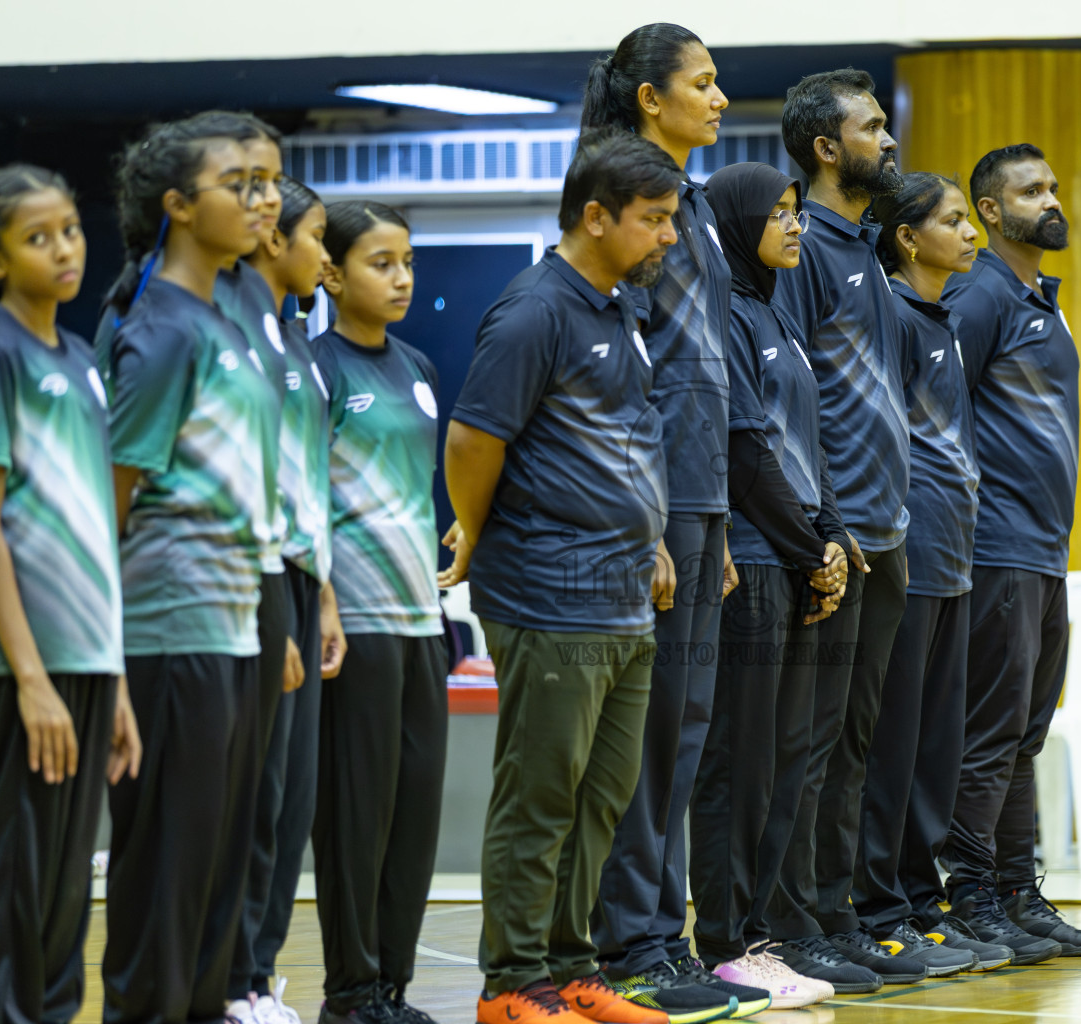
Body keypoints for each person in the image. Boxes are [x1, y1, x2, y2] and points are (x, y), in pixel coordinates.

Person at [447, 127, 684, 1024]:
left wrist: (651, 534)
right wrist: (475, 531)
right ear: (595, 216)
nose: (668, 236)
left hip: (625, 593)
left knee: (601, 799)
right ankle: (512, 982)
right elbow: (474, 438)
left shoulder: (618, 307)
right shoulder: (535, 310)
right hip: (548, 592)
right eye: (653, 220)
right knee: (541, 793)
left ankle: (572, 968)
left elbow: (620, 443)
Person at [578, 26, 758, 1019]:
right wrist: (646, 517)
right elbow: (623, 375)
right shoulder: (622, 200)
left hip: (700, 498)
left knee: (684, 731)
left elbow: (709, 371)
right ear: (652, 99)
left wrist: (718, 518)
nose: (721, 96)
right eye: (704, 82)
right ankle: (630, 943)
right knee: (644, 738)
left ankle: (664, 934)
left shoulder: (689, 204)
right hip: (648, 503)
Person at [0, 164, 140, 1024]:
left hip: (89, 647)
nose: (64, 249)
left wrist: (118, 676)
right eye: (37, 237)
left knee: (67, 868)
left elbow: (97, 520)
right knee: (13, 855)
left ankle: (54, 1012)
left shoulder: (84, 357)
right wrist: (27, 679)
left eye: (69, 228)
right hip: (31, 654)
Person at [98, 115, 277, 1023]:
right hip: (167, 628)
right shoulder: (159, 330)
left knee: (217, 862)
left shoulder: (235, 306)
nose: (261, 201)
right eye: (239, 184)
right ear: (176, 206)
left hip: (234, 621)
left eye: (267, 181)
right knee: (166, 867)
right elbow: (111, 503)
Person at [764, 68, 924, 989]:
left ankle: (841, 911)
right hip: (836, 539)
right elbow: (789, 400)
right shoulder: (807, 248)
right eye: (871, 127)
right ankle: (794, 923)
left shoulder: (864, 249)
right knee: (810, 743)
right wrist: (820, 525)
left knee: (853, 742)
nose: (888, 140)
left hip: (887, 532)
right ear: (827, 147)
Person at [937, 143, 1081, 960]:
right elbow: (934, 411)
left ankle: (1017, 892)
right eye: (1029, 191)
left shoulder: (1040, 299)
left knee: (1027, 732)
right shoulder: (979, 299)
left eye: (1052, 185)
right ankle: (970, 895)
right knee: (992, 730)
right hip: (995, 546)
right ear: (991, 212)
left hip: (1044, 552)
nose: (1050, 199)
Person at [688, 161, 850, 1009]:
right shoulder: (724, 318)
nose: (796, 225)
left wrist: (825, 539)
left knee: (785, 762)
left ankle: (760, 938)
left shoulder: (775, 315)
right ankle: (723, 941)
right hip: (749, 563)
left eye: (799, 210)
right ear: (737, 219)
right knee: (737, 767)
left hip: (790, 556)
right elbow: (746, 454)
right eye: (780, 213)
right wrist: (805, 546)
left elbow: (803, 447)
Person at [850, 173, 1015, 973]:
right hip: (907, 564)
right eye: (953, 221)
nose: (970, 233)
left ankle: (922, 899)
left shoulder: (943, 319)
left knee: (936, 752)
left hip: (954, 563)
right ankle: (880, 904)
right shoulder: (891, 317)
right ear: (908, 237)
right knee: (895, 748)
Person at [312, 200, 447, 1024]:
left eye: (406, 261)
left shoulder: (420, 368)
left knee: (414, 816)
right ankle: (350, 991)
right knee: (356, 818)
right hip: (353, 625)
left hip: (421, 621)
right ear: (329, 273)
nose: (400, 278)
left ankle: (391, 988)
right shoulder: (314, 368)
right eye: (379, 262)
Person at [232, 174, 348, 1023]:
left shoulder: (298, 342)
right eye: (315, 238)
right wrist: (270, 601)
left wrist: (327, 597)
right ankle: (232, 978)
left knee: (293, 797)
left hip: (306, 582)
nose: (322, 255)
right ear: (273, 242)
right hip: (255, 581)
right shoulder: (238, 339)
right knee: (257, 796)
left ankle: (260, 974)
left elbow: (309, 484)